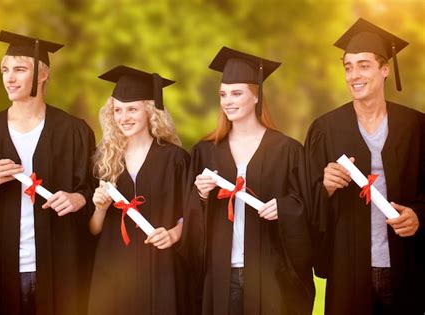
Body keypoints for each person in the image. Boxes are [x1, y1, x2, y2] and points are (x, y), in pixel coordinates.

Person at [0, 30, 96, 315]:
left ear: (43, 75)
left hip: (61, 271)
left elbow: (96, 189)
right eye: (5, 70)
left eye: (19, 69)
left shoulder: (74, 132)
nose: (10, 77)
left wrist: (79, 199)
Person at [181, 46, 314, 315]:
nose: (228, 101)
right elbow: (189, 218)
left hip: (271, 274)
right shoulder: (205, 151)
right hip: (219, 274)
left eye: (237, 93)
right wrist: (201, 195)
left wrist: (285, 207)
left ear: (256, 96)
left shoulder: (287, 150)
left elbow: (308, 205)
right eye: (223, 94)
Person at [305, 18, 425, 315]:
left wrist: (420, 216)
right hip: (347, 270)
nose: (353, 75)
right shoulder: (325, 129)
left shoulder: (416, 126)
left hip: (406, 268)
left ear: (385, 70)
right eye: (348, 66)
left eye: (363, 65)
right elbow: (303, 202)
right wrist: (326, 187)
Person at [87, 65, 189, 315]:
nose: (124, 117)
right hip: (114, 270)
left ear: (150, 111)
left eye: (132, 109)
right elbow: (92, 229)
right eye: (118, 110)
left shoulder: (175, 159)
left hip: (161, 267)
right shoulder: (103, 160)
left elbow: (194, 213)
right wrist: (100, 209)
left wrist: (174, 234)